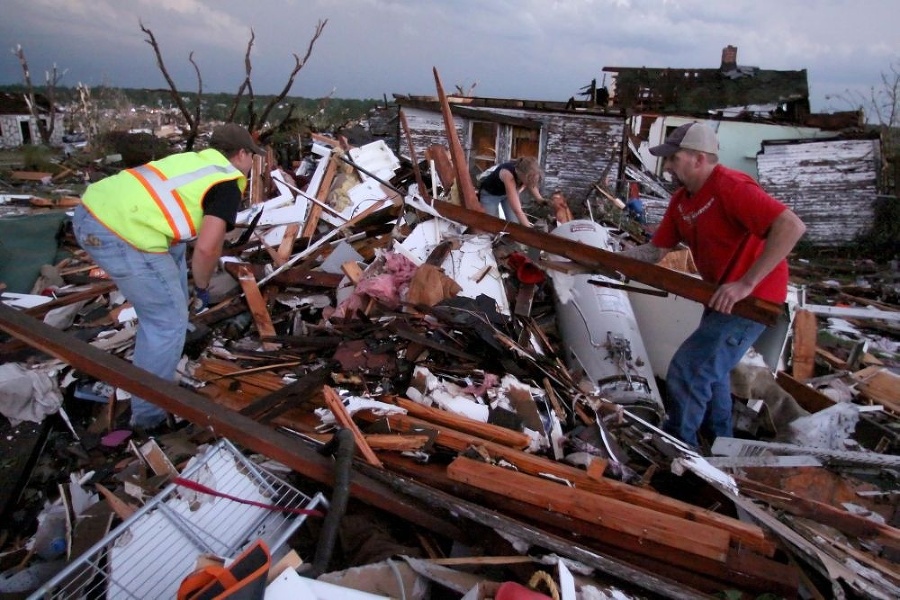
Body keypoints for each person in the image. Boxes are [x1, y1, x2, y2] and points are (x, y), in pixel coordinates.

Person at [621, 122, 806, 449]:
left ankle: (678, 450)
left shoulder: (731, 187)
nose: (668, 166)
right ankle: (723, 448)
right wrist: (604, 258)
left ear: (698, 159)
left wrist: (746, 283)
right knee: (714, 375)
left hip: (753, 301)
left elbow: (791, 226)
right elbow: (655, 251)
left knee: (689, 370)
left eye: (674, 159)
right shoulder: (681, 201)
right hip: (721, 298)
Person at [72, 123, 263, 430]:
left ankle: (177, 330)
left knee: (174, 254)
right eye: (252, 155)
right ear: (241, 153)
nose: (252, 163)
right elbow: (205, 249)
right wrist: (201, 286)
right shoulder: (227, 182)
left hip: (90, 211)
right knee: (165, 322)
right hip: (119, 234)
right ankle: (148, 417)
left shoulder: (193, 161)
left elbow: (180, 227)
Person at [477, 156, 546, 226]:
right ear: (522, 175)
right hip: (490, 194)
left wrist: (541, 200)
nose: (531, 183)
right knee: (489, 223)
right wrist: (530, 230)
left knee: (514, 223)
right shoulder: (507, 174)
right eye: (529, 180)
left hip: (506, 194)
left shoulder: (525, 171)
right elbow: (517, 210)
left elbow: (531, 185)